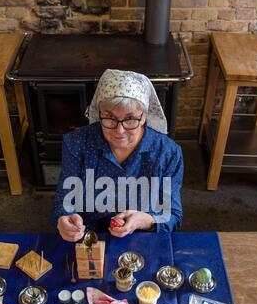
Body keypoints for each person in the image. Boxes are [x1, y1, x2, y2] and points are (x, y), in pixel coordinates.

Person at [53, 69, 184, 242]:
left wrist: (146, 221)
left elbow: (172, 215)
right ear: (99, 112)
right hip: (90, 234)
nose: (119, 131)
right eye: (109, 118)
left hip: (142, 237)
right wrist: (64, 219)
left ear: (144, 116)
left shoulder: (167, 153)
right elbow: (64, 202)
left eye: (130, 119)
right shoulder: (77, 143)